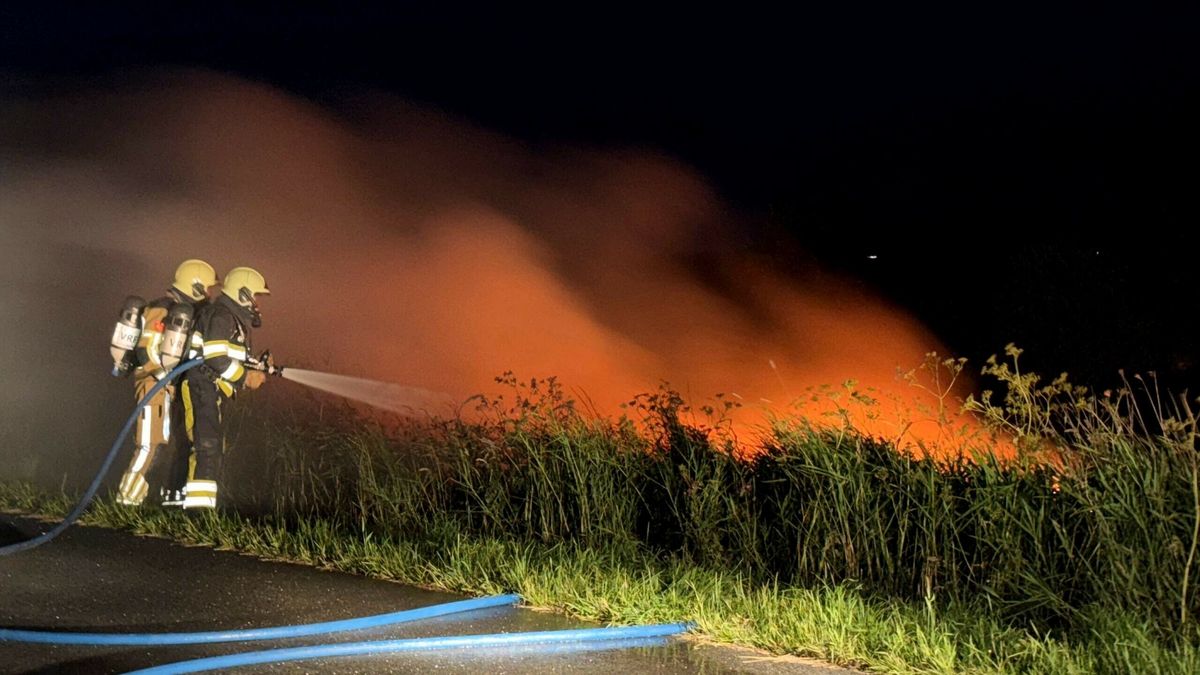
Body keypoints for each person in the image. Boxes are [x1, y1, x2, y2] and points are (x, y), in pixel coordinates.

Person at [116, 259, 218, 506]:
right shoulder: (162, 310)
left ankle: (147, 496)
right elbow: (148, 348)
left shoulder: (176, 311)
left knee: (161, 442)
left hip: (165, 387)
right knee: (148, 443)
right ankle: (127, 498)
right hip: (153, 385)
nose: (207, 295)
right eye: (206, 289)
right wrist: (163, 375)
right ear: (194, 287)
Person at [181, 266, 270, 509]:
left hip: (210, 388)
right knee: (207, 445)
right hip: (201, 385)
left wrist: (256, 366)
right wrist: (244, 379)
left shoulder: (231, 319)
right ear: (243, 294)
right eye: (256, 296)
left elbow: (228, 355)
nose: (257, 303)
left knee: (212, 444)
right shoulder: (221, 315)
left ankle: (202, 508)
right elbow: (216, 358)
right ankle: (198, 513)